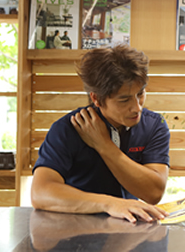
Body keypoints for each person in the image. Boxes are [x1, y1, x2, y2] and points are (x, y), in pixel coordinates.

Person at [31, 45, 171, 223]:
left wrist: (104, 145)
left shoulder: (154, 125)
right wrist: (110, 204)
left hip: (128, 232)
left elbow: (154, 193)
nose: (137, 107)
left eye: (140, 93)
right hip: (72, 230)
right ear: (96, 98)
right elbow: (40, 192)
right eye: (124, 99)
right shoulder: (67, 129)